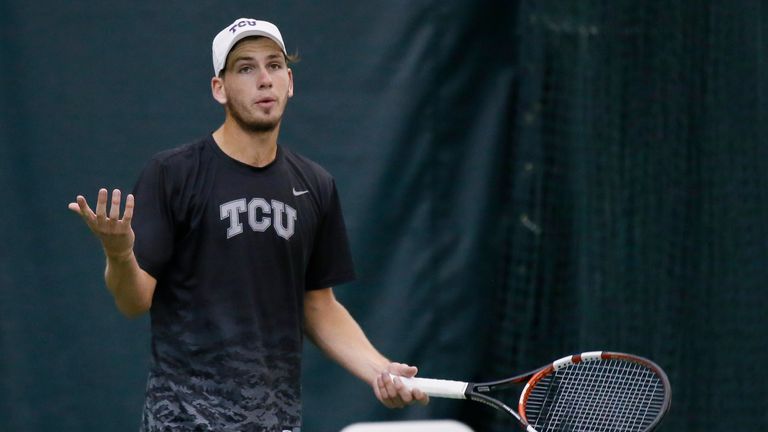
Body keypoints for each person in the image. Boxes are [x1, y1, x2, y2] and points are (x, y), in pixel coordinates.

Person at [68, 17, 427, 432]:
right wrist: (118, 253)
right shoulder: (173, 174)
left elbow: (319, 305)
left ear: (289, 82)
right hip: (183, 422)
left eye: (274, 66)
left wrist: (382, 370)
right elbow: (133, 301)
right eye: (245, 67)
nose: (264, 79)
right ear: (219, 88)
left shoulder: (316, 186)